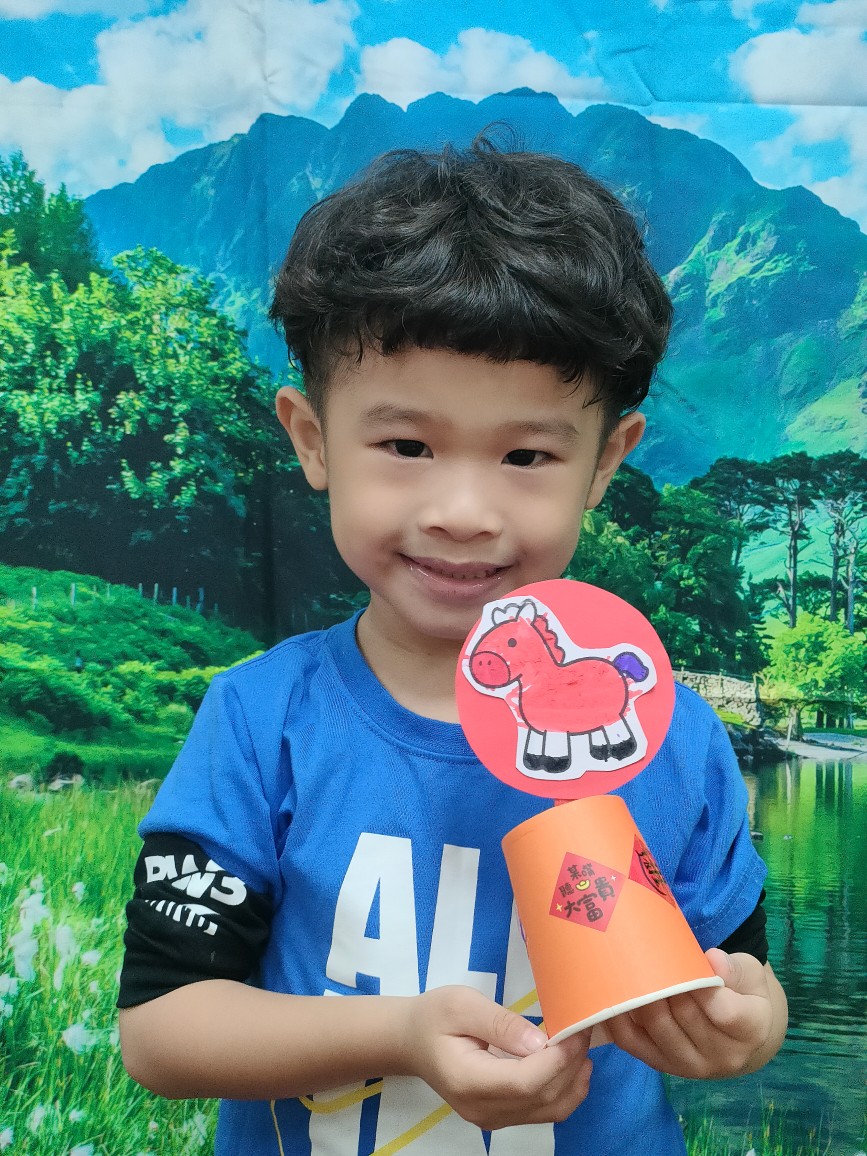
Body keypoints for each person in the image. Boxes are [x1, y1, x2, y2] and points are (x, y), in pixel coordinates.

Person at [117, 137, 787, 1156]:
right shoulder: (259, 722)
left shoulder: (675, 741)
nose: (463, 510)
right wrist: (400, 1036)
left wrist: (746, 1027)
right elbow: (162, 1030)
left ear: (606, 461)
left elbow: (743, 976)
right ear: (311, 439)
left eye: (526, 454)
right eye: (406, 446)